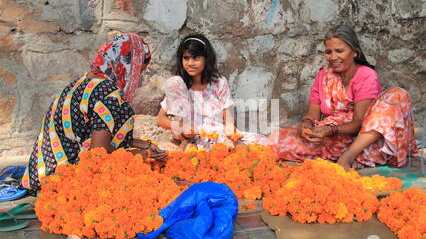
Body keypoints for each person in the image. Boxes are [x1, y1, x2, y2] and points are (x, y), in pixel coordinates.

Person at [21, 33, 167, 193]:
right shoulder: (109, 94)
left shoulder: (85, 81)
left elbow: (93, 134)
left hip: (41, 172)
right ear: (126, 65)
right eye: (138, 71)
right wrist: (139, 155)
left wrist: (146, 145)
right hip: (64, 178)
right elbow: (98, 153)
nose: (137, 78)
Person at [267, 25, 418, 170]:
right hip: (334, 137)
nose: (333, 57)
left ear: (354, 52)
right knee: (277, 140)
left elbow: (359, 123)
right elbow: (312, 114)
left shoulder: (366, 75)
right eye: (328, 52)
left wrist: (330, 130)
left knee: (397, 95)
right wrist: (306, 126)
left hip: (364, 141)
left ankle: (347, 158)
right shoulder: (324, 74)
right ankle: (336, 154)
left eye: (339, 51)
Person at [156, 34, 265, 151]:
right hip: (192, 139)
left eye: (195, 58)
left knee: (264, 143)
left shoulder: (218, 83)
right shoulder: (179, 86)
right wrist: (181, 127)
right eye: (186, 58)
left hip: (218, 136)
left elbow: (228, 115)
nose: (190, 63)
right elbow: (161, 119)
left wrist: (230, 129)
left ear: (206, 59)